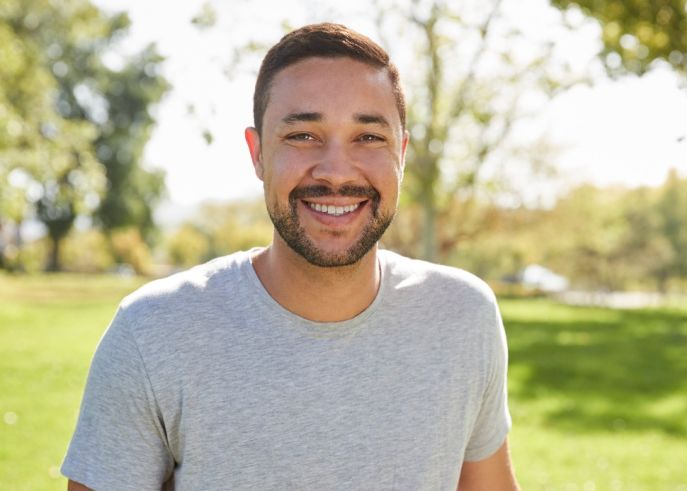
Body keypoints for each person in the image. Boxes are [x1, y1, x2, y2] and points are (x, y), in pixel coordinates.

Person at [62, 22, 517, 490]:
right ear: (257, 153)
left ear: (400, 153)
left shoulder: (464, 317)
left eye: (369, 137)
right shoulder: (154, 332)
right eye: (303, 135)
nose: (337, 171)